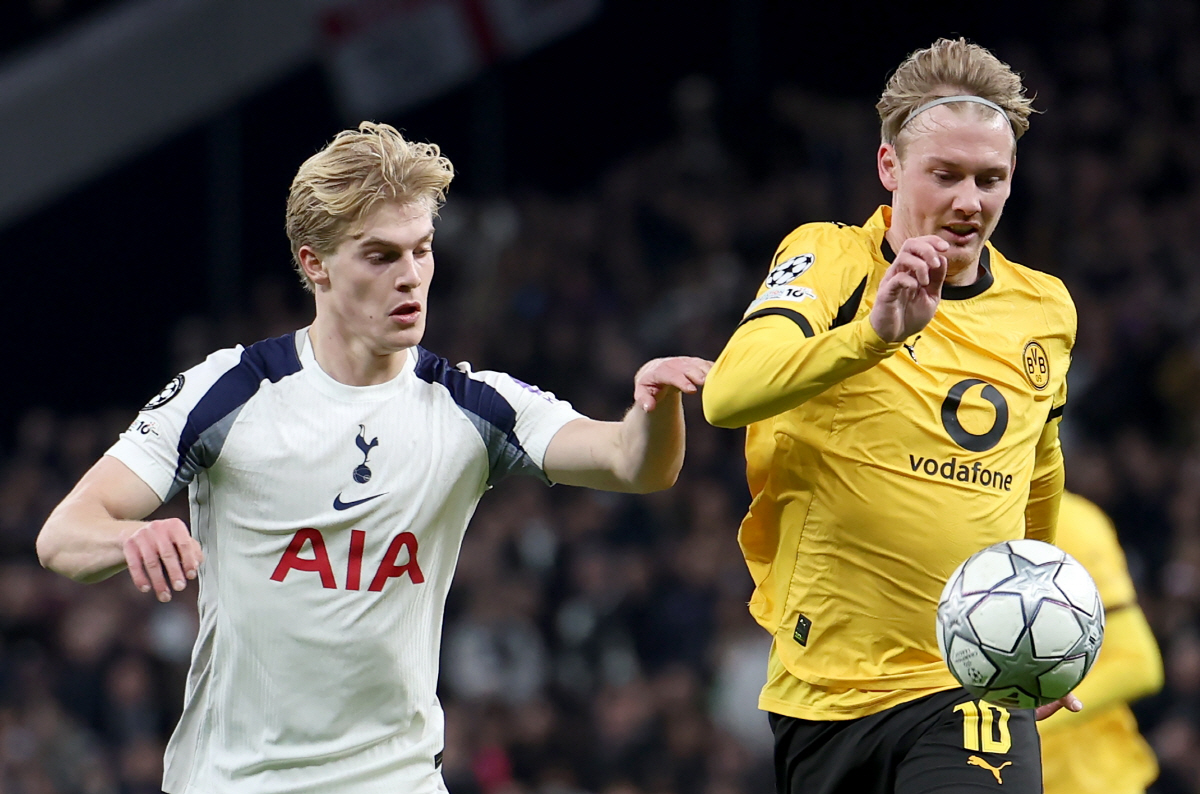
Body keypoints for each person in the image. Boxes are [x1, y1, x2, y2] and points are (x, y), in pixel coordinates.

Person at [35, 122, 711, 794]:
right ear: (315, 264)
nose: (411, 277)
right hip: (237, 781)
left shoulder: (472, 407)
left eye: (421, 251)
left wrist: (654, 409)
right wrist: (132, 534)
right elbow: (64, 534)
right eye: (381, 256)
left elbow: (635, 465)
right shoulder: (231, 391)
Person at [703, 38, 1078, 793]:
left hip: (970, 682)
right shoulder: (832, 260)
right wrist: (872, 337)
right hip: (827, 690)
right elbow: (729, 394)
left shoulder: (1046, 307)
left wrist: (1039, 633)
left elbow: (1038, 468)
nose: (969, 201)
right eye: (946, 175)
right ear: (889, 168)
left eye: (990, 178)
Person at [1039, 491, 1163, 794]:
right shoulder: (926, 517)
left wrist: (1020, 722)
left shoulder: (1066, 520)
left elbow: (1136, 663)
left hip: (1086, 782)